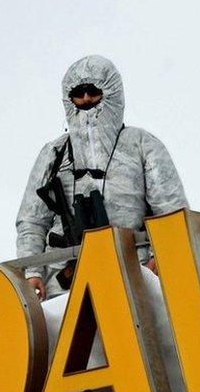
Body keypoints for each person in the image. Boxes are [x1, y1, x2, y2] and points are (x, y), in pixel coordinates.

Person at [16, 55, 188, 300]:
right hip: (64, 287)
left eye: (93, 90)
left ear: (110, 91)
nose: (86, 98)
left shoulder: (141, 144)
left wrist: (160, 256)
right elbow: (32, 220)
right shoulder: (54, 154)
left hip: (134, 276)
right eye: (78, 92)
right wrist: (32, 270)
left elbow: (171, 210)